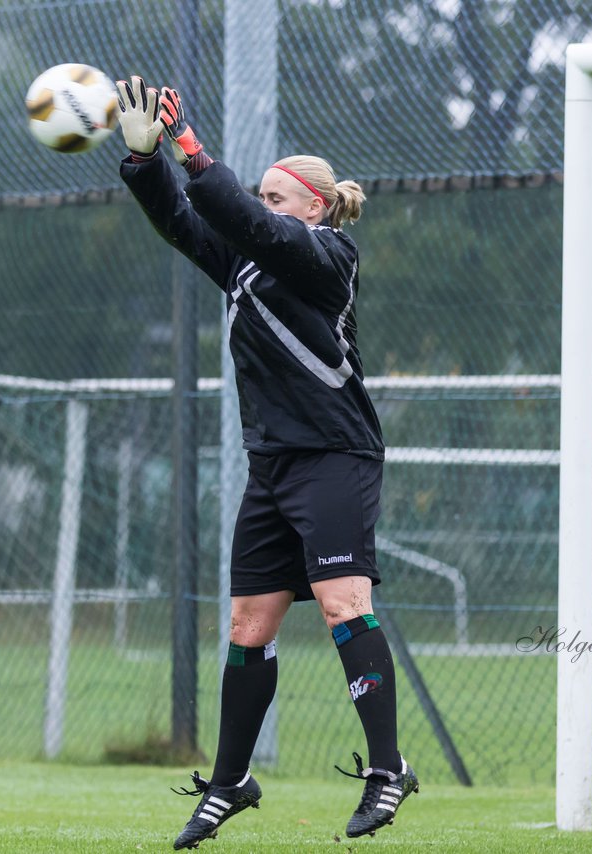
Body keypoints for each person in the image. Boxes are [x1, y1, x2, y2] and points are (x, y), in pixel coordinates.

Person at [113, 76, 419, 850]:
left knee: (345, 601)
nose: (266, 205)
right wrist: (146, 159)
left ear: (314, 206)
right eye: (264, 196)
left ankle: (389, 768)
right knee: (249, 625)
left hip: (335, 456)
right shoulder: (246, 264)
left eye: (279, 197)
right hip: (273, 466)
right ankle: (231, 782)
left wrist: (192, 148)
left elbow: (250, 223)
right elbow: (186, 223)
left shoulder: (327, 256)